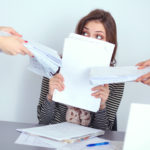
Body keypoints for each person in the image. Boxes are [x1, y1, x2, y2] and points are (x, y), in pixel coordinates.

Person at [37, 9, 124, 130]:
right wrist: (51, 96)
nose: (90, 40)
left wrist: (102, 106)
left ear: (109, 42)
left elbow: (104, 132)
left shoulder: (115, 81)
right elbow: (42, 121)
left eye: (98, 36)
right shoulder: (55, 68)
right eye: (85, 33)